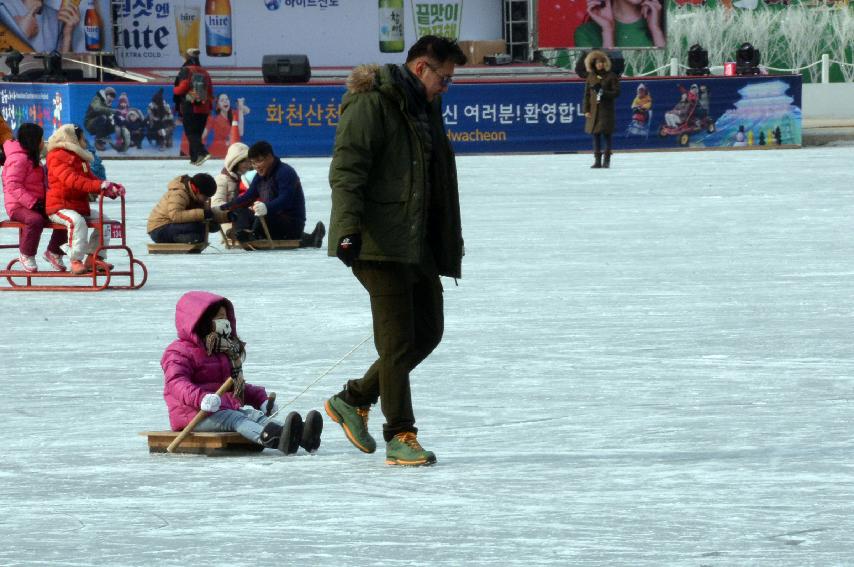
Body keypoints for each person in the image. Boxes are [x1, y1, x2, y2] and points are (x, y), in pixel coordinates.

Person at [324, 35, 466, 467]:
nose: (447, 87)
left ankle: (353, 399)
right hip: (378, 243)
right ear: (422, 68)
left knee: (427, 332)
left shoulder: (426, 107)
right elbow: (347, 171)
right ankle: (400, 434)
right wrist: (347, 232)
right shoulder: (371, 104)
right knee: (397, 342)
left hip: (416, 242)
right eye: (444, 78)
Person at [162, 290, 324, 455]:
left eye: (225, 317)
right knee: (235, 419)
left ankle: (301, 436)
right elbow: (176, 382)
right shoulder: (179, 351)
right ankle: (271, 438)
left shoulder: (222, 350)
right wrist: (201, 398)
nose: (224, 322)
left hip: (222, 409)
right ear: (201, 321)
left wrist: (259, 399)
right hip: (193, 415)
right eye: (219, 318)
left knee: (254, 415)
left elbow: (233, 385)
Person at [45, 124, 125, 275]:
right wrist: (99, 185)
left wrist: (110, 189)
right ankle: (75, 260)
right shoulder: (56, 156)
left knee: (105, 222)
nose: (85, 141)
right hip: (59, 206)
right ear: (73, 138)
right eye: (82, 138)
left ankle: (94, 257)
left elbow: (91, 180)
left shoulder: (79, 158)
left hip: (77, 205)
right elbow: (72, 180)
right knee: (77, 222)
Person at [218, 140, 325, 248]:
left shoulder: (286, 172)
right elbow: (247, 197)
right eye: (253, 163)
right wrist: (223, 208)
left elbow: (285, 200)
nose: (256, 166)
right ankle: (243, 233)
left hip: (290, 224)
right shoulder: (259, 176)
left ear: (269, 157)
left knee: (263, 214)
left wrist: (267, 207)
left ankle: (254, 234)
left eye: (259, 161)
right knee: (240, 210)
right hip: (268, 221)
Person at [2, 123, 66, 272]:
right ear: (33, 140)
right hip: (18, 206)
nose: (43, 142)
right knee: (34, 220)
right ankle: (26, 254)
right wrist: (32, 203)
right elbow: (13, 185)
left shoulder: (33, 158)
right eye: (41, 139)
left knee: (63, 214)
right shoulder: (18, 159)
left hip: (36, 203)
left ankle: (54, 251)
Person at [147, 172, 220, 244]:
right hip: (159, 229)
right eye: (205, 197)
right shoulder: (179, 193)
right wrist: (202, 214)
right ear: (196, 190)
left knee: (203, 229)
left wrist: (220, 218)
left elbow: (203, 215)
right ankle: (181, 238)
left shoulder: (195, 196)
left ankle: (190, 238)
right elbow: (175, 216)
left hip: (172, 226)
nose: (207, 200)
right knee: (197, 227)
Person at [173, 48, 213, 166]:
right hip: (204, 108)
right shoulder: (204, 72)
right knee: (197, 134)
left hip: (190, 107)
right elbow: (210, 90)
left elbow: (182, 88)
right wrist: (208, 106)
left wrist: (174, 89)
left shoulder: (186, 70)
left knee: (191, 133)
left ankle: (203, 152)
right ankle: (195, 158)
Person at [573, 0, 665, 49]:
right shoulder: (585, 33)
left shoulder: (672, 25)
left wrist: (656, 30)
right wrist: (608, 31)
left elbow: (671, 74)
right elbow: (602, 78)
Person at [583, 50, 620, 169]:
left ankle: (607, 160)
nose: (600, 65)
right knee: (595, 135)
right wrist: (586, 110)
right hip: (594, 111)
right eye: (598, 62)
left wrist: (603, 92)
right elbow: (587, 95)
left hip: (606, 111)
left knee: (607, 136)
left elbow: (616, 92)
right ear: (594, 64)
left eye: (602, 62)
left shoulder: (611, 76)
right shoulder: (591, 77)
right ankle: (597, 160)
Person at [0, 0, 82, 53]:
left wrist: (67, 35)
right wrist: (20, 34)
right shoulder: (3, 10)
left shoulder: (57, 18)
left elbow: (62, 69)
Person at [212, 142, 252, 240]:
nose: (248, 165)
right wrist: (234, 208)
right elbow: (216, 205)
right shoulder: (221, 179)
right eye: (244, 161)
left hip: (246, 217)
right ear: (234, 162)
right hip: (229, 221)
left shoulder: (248, 179)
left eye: (249, 161)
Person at [83, 87, 120, 152]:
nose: (112, 98)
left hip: (99, 123)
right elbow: (97, 108)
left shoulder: (108, 104)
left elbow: (110, 116)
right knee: (103, 118)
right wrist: (112, 110)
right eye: (111, 95)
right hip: (89, 123)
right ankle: (98, 141)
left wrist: (116, 124)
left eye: (113, 97)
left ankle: (102, 138)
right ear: (106, 94)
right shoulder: (97, 99)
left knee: (113, 124)